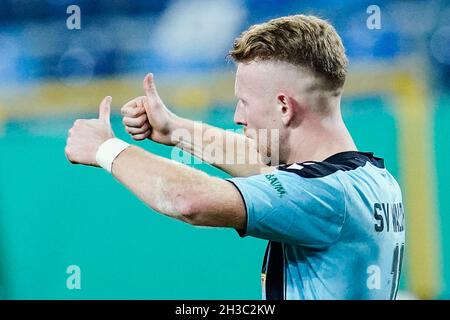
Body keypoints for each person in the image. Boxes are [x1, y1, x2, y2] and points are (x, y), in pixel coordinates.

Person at [65, 15, 405, 299]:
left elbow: (189, 199)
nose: (238, 117)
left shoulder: (325, 194)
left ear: (284, 107)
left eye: (244, 102)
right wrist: (175, 130)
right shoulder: (370, 178)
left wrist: (105, 148)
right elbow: (267, 167)